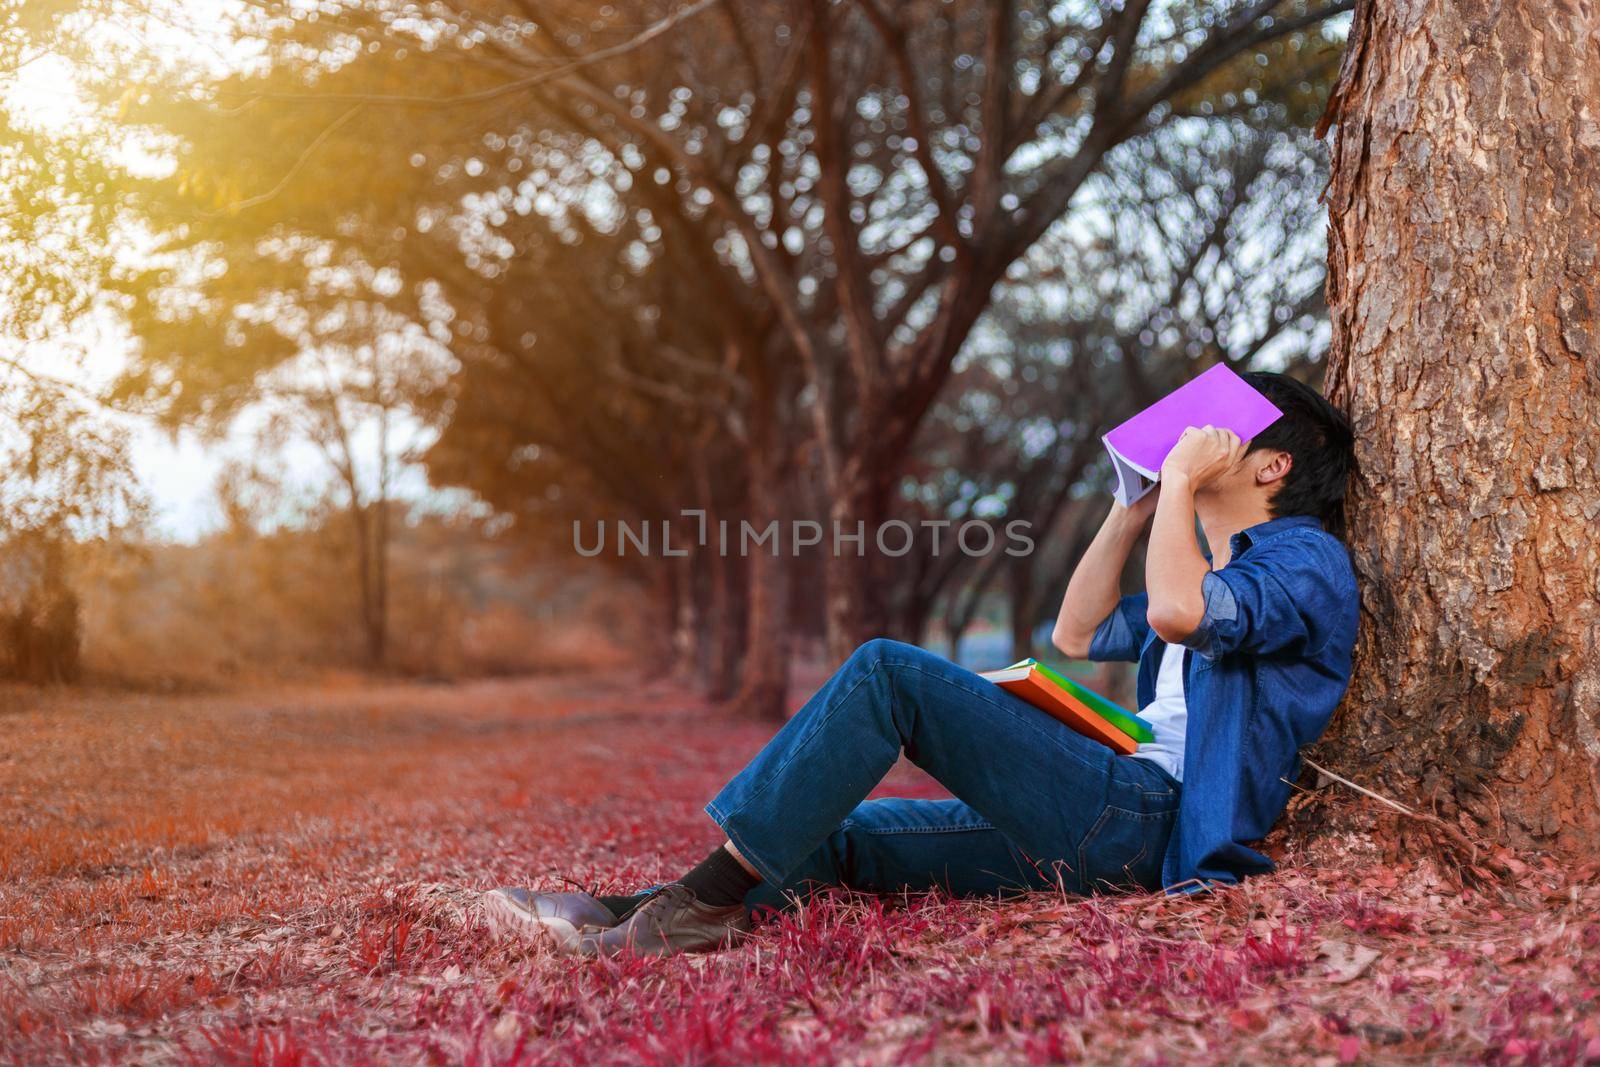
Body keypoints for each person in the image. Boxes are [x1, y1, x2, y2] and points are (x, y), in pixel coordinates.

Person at [483, 371, 1360, 957]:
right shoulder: (1213, 571)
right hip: (1107, 814)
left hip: (1146, 818)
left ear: (1273, 463)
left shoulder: (1302, 559)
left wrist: (1176, 486)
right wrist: (1133, 509)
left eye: (1223, 431)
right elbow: (1079, 632)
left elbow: (1175, 610)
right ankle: (633, 909)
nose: (1197, 439)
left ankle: (694, 910)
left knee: (889, 672)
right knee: (845, 839)